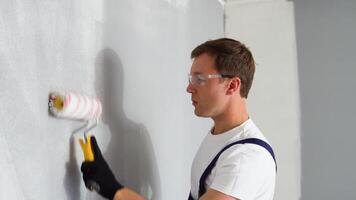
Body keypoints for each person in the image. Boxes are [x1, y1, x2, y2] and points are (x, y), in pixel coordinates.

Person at [80, 38, 276, 200]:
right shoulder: (222, 136)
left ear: (232, 86)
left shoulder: (246, 158)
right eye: (191, 79)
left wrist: (115, 190)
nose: (189, 88)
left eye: (199, 79)